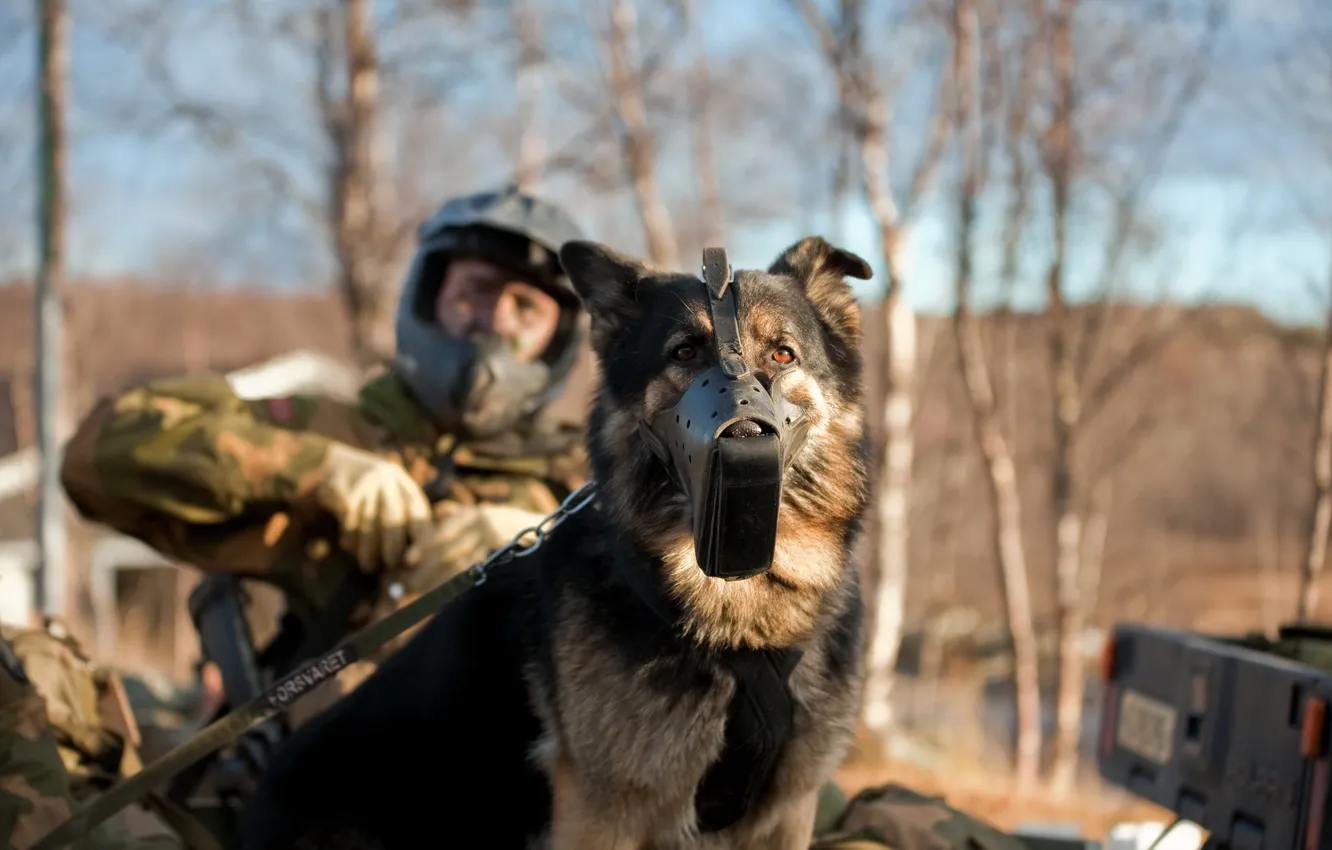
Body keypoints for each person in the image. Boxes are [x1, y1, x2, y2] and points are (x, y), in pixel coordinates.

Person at [58, 186, 595, 728]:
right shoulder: (329, 427)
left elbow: (672, 618)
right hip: (294, 771)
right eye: (476, 291)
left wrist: (544, 550)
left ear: (559, 338)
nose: (496, 320)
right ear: (428, 294)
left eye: (527, 308)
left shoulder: (587, 480)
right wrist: (316, 470)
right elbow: (97, 452)